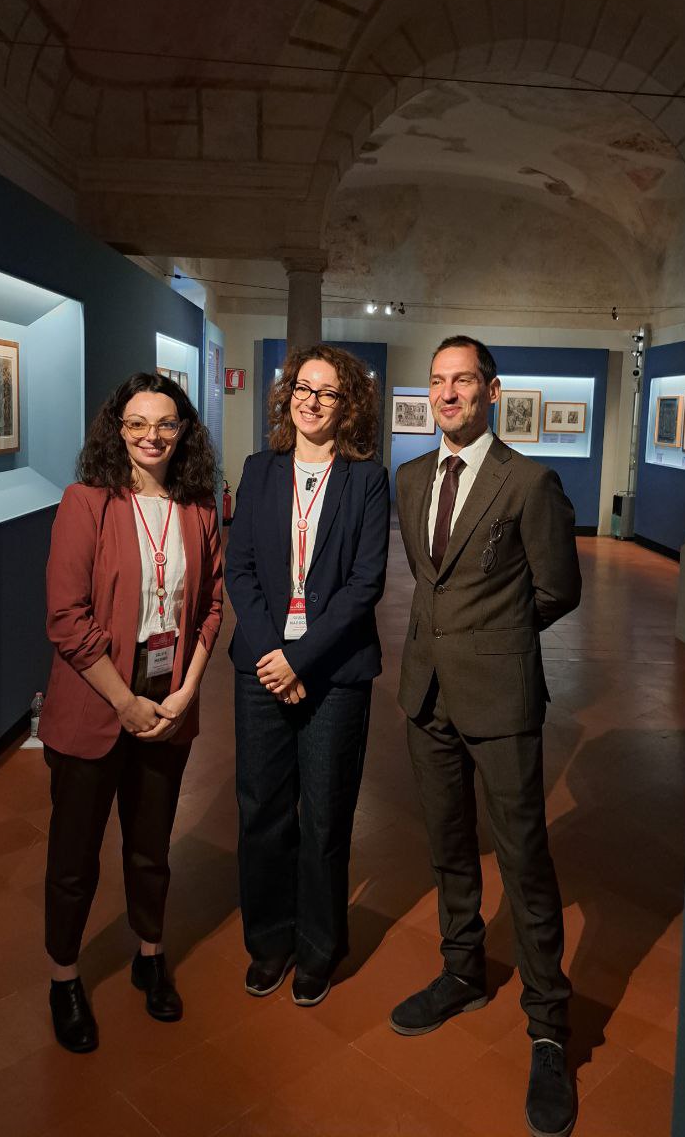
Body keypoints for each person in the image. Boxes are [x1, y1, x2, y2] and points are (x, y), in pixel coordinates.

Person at [390, 337, 581, 1137]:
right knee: (447, 846)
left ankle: (549, 1026)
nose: (447, 393)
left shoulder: (528, 482)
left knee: (525, 859)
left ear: (491, 391)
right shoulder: (409, 478)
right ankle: (462, 970)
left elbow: (558, 588)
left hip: (500, 699)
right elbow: (428, 581)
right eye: (437, 381)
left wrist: (492, 640)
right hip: (425, 693)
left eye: (462, 380)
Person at [38, 371, 223, 1053]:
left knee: (151, 850)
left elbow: (211, 608)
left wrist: (184, 693)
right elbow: (66, 617)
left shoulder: (199, 508)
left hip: (167, 707)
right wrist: (125, 702)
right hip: (96, 708)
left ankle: (150, 953)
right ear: (117, 431)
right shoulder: (85, 502)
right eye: (137, 423)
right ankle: (64, 977)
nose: (152, 435)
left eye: (166, 423)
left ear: (183, 432)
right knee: (74, 859)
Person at [226, 343, 389, 1007]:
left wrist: (300, 658)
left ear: (348, 406)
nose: (311, 400)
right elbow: (239, 568)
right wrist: (275, 654)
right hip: (262, 667)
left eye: (327, 392)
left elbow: (365, 584)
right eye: (302, 387)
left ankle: (319, 947)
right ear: (286, 395)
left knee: (325, 817)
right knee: (261, 812)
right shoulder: (259, 470)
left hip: (335, 672)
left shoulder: (366, 479)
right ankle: (270, 942)